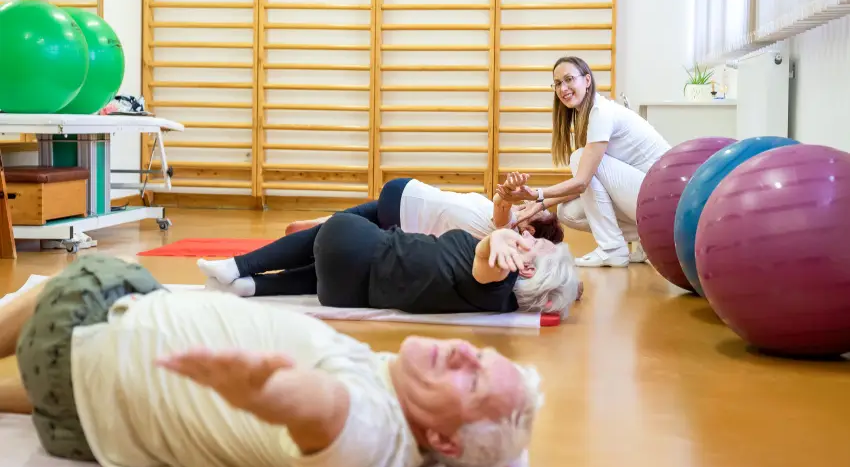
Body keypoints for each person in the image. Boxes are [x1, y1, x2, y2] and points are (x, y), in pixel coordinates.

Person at [0, 254, 543, 467]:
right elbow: (506, 461)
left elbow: (326, 410)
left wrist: (270, 392)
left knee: (76, 279)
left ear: (443, 441)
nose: (466, 351)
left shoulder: (374, 433)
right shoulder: (411, 427)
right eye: (483, 354)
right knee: (51, 375)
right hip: (89, 413)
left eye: (471, 379)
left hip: (96, 325)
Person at [200, 211, 581, 315]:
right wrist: (570, 289)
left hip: (351, 248)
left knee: (335, 229)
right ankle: (254, 287)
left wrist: (494, 239)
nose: (530, 237)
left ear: (526, 269)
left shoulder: (497, 277)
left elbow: (486, 263)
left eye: (534, 247)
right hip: (342, 295)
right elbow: (560, 293)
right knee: (335, 261)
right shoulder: (505, 301)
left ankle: (237, 266)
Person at [496, 55, 672, 268]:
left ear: (587, 80)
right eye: (558, 83)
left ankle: (612, 250)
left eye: (569, 79)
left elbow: (582, 181)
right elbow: (588, 182)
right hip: (651, 199)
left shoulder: (600, 112)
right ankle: (646, 239)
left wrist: (537, 195)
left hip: (663, 199)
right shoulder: (589, 115)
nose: (563, 88)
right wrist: (539, 204)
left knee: (578, 158)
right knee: (568, 212)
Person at [284, 176, 565, 243]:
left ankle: (309, 226)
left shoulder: (508, 231)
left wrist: (505, 198)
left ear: (529, 231)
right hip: (403, 211)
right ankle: (311, 233)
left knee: (347, 220)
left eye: (536, 211)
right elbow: (502, 208)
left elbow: (504, 211)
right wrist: (504, 196)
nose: (532, 205)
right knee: (349, 229)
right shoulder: (506, 227)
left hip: (404, 191)